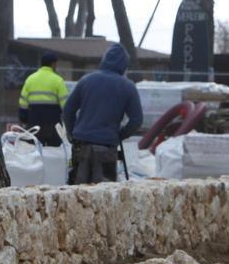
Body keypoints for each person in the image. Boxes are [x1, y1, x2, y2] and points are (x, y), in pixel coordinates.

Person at [62, 43, 143, 184]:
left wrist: (71, 132)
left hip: (81, 145)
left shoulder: (86, 80)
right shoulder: (128, 87)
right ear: (124, 65)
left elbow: (68, 110)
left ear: (104, 60)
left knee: (76, 195)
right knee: (103, 196)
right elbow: (137, 120)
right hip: (107, 147)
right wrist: (119, 135)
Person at [18, 51, 69, 146]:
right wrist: (67, 120)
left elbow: (23, 102)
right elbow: (65, 104)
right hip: (53, 121)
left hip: (34, 119)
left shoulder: (30, 79)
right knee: (54, 151)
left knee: (34, 150)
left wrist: (24, 118)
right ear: (53, 64)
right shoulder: (58, 80)